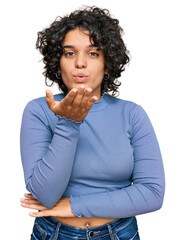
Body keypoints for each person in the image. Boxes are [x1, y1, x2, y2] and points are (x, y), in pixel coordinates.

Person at [20, 6, 165, 240]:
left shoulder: (132, 114)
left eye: (93, 53)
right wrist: (69, 123)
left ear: (107, 64)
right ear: (58, 63)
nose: (80, 63)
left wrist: (76, 206)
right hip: (54, 234)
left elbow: (152, 194)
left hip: (119, 234)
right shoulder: (38, 110)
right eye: (69, 53)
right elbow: (45, 195)